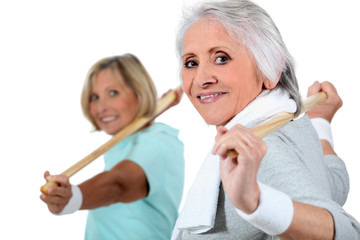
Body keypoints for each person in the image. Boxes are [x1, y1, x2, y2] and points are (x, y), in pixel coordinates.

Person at [172, 0, 360, 239]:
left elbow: (349, 233)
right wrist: (321, 122)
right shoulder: (291, 127)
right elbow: (332, 185)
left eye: (221, 58)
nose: (201, 79)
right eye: (191, 63)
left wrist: (255, 201)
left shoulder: (260, 150)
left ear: (270, 70)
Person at [40, 53, 185, 240]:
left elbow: (118, 184)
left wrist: (73, 197)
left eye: (113, 93)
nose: (101, 107)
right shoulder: (125, 142)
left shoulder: (158, 142)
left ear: (139, 92)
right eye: (94, 96)